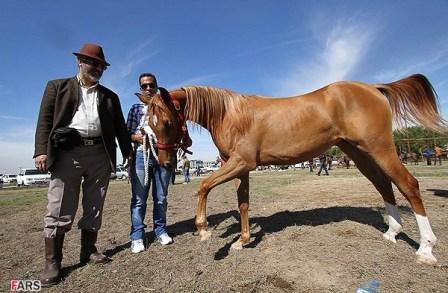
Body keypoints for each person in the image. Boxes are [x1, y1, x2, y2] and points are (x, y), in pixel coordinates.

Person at [34, 43, 132, 286]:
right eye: (92, 63)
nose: (97, 68)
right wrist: (40, 152)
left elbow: (120, 127)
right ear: (79, 61)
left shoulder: (110, 97)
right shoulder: (57, 87)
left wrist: (127, 152)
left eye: (101, 65)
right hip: (67, 153)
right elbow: (44, 120)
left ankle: (88, 250)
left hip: (100, 153)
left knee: (94, 204)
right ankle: (53, 262)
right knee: (59, 206)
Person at [126, 73, 191, 253]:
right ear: (141, 88)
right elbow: (126, 134)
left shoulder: (167, 107)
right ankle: (137, 235)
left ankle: (160, 230)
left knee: (161, 198)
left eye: (151, 85)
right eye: (144, 85)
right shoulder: (135, 109)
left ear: (156, 85)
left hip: (164, 155)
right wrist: (137, 137)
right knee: (139, 199)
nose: (148, 88)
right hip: (142, 155)